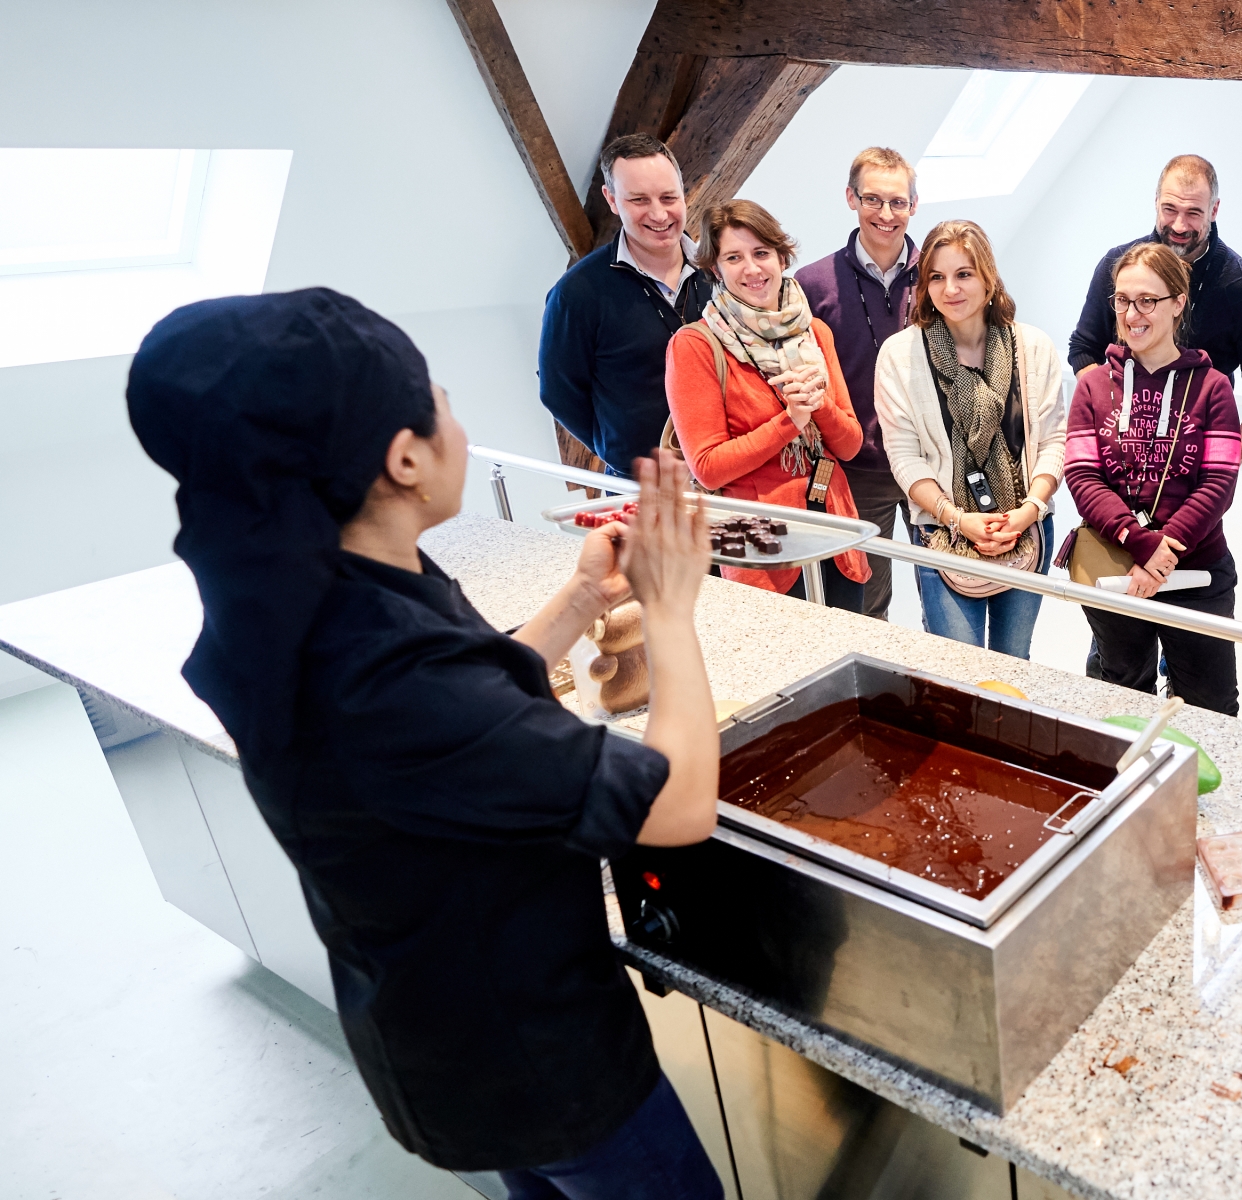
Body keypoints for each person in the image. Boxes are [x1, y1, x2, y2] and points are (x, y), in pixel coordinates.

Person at [125, 289, 724, 1195]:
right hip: (543, 1061)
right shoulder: (378, 673)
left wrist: (581, 601)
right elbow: (675, 806)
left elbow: (470, 702)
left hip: (437, 1043)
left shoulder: (300, 588)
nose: (456, 418)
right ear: (404, 458)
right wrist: (673, 610)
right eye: (440, 399)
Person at [1062, 243, 1242, 714]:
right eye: (1122, 300)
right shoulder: (1092, 386)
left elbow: (1218, 483)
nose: (1132, 313)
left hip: (1198, 573)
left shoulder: (1213, 387)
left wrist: (1164, 553)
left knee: (1211, 709)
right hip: (1116, 570)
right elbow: (1082, 477)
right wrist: (1141, 544)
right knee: (1121, 701)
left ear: (1178, 302)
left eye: (1147, 300)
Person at [874, 220, 1068, 658]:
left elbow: (1055, 440)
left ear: (989, 278)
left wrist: (1027, 511)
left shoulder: (1034, 347)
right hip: (943, 531)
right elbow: (904, 457)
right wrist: (957, 519)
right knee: (957, 668)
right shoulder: (900, 354)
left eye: (964, 274)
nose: (951, 289)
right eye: (937, 277)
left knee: (1014, 662)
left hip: (1027, 526)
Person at [667, 199, 870, 608]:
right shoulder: (695, 345)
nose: (753, 269)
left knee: (848, 655)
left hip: (834, 529)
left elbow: (849, 446)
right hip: (758, 544)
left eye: (761, 253)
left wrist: (820, 407)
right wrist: (789, 422)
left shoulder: (815, 331)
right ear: (715, 269)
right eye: (734, 257)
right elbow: (707, 468)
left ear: (782, 256)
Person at [1067, 155, 1242, 460]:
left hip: (1198, 464)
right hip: (1119, 451)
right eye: (1170, 209)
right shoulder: (1117, 266)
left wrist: (1225, 459)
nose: (1179, 225)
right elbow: (1084, 348)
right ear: (1155, 202)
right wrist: (1112, 414)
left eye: (1193, 212)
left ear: (1214, 210)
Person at [539, 134, 714, 476]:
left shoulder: (722, 269)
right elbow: (559, 392)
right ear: (612, 199)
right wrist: (620, 449)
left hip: (733, 477)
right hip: (640, 489)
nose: (659, 214)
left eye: (668, 197)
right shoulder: (577, 293)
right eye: (639, 200)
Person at [796, 147, 921, 620]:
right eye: (872, 200)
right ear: (851, 198)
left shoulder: (941, 276)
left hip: (934, 464)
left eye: (897, 202)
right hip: (858, 469)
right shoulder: (812, 284)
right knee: (866, 603)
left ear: (914, 204)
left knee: (950, 590)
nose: (886, 215)